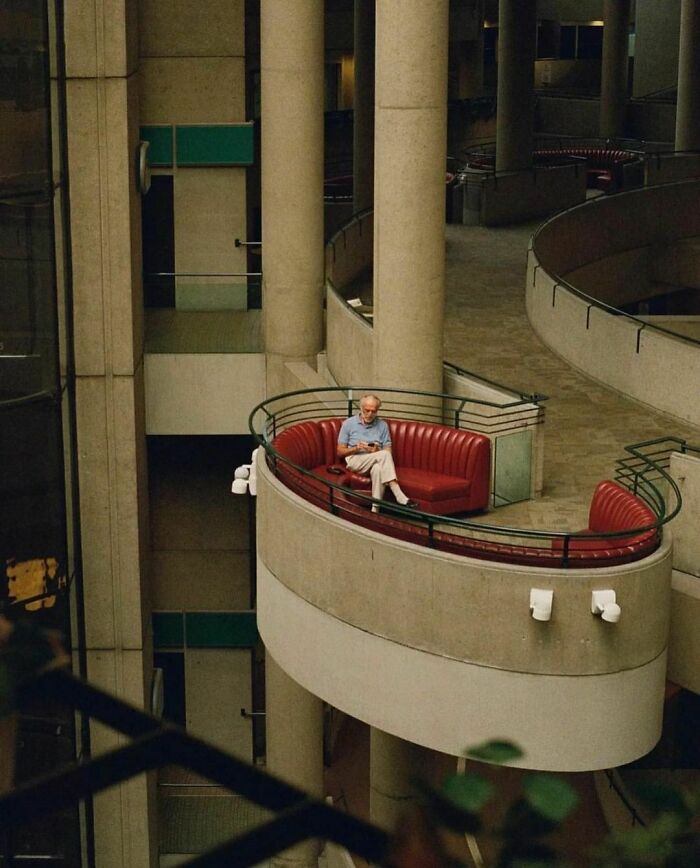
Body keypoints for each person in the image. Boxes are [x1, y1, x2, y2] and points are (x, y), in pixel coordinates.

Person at [337, 394, 417, 513]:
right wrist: (356, 448)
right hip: (355, 460)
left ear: (377, 411)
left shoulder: (382, 425)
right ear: (361, 408)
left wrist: (376, 451)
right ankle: (398, 494)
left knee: (378, 468)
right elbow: (340, 451)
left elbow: (388, 451)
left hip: (375, 460)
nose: (369, 414)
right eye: (367, 410)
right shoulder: (348, 424)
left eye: (373, 411)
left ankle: (375, 509)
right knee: (383, 455)